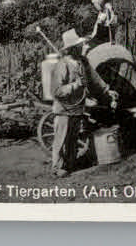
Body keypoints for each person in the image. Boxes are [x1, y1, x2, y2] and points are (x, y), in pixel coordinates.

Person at [50, 28, 118, 177]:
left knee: (73, 138)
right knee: (61, 139)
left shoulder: (82, 62)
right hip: (64, 109)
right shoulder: (62, 65)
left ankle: (70, 164)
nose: (82, 47)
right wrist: (75, 85)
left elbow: (94, 79)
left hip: (77, 108)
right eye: (79, 45)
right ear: (72, 48)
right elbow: (56, 91)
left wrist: (107, 90)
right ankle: (57, 168)